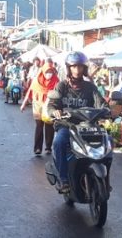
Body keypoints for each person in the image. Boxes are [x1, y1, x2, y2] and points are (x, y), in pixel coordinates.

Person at [46, 51, 105, 193]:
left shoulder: (90, 87)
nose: (77, 70)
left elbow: (100, 103)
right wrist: (54, 111)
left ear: (84, 69)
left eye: (79, 67)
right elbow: (52, 104)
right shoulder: (62, 86)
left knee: (107, 141)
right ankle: (63, 180)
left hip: (87, 126)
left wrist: (108, 110)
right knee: (59, 142)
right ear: (68, 68)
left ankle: (104, 179)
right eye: (73, 67)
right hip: (67, 126)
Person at [20, 60, 59, 155]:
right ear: (43, 71)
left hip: (50, 106)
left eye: (50, 72)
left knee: (49, 126)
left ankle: (48, 147)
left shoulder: (56, 81)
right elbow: (30, 91)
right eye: (47, 72)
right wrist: (24, 103)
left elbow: (60, 93)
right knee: (39, 126)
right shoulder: (37, 80)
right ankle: (37, 148)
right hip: (38, 106)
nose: (49, 74)